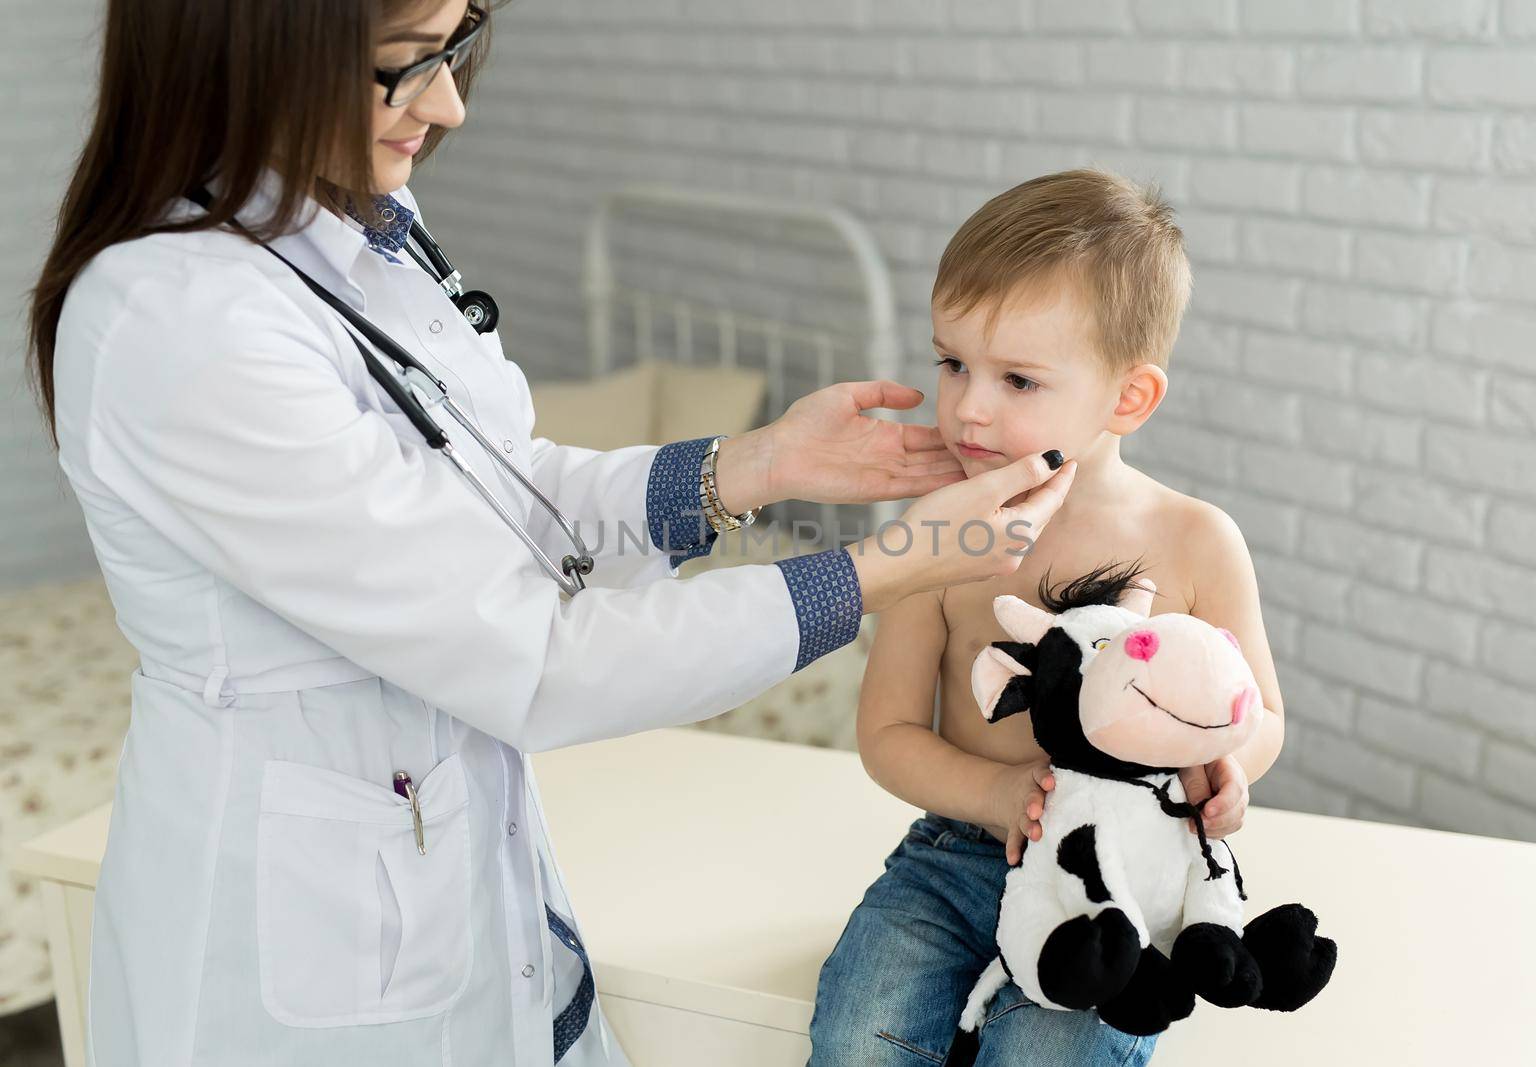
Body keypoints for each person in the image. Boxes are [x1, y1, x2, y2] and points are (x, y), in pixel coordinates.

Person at [23, 2, 1079, 1064]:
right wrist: (878, 570)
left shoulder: (354, 234)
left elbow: (498, 489)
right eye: (402, 67)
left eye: (455, 51)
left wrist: (750, 468)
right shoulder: (181, 320)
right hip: (305, 941)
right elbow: (534, 658)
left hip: (452, 867)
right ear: (245, 52)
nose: (446, 106)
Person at [807, 169, 1287, 1066]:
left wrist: (1224, 767)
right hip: (955, 858)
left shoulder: (1193, 541)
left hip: (1115, 881)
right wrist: (990, 796)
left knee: (1045, 1056)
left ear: (1128, 398)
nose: (969, 407)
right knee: (858, 1038)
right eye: (952, 362)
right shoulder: (947, 533)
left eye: (1018, 379)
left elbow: (1259, 714)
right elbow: (887, 730)